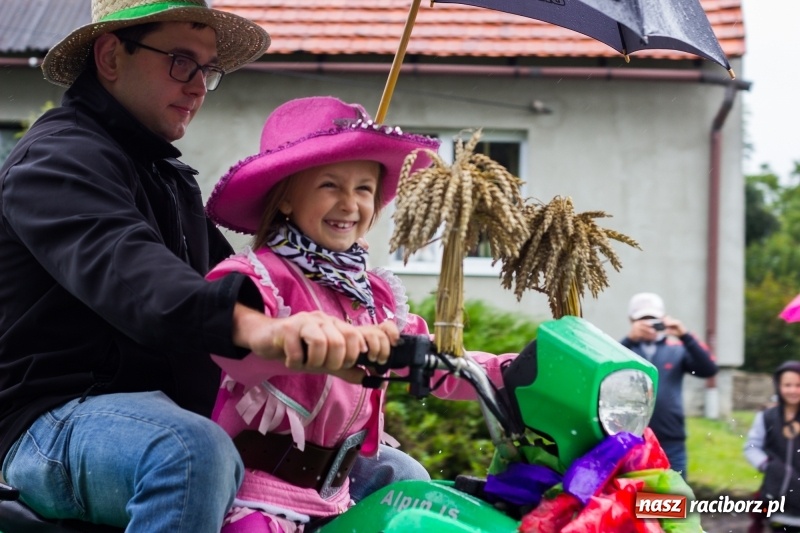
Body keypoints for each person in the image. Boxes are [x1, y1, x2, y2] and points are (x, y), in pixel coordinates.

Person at [0, 2, 389, 532]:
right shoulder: (55, 161)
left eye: (208, 70)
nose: (199, 86)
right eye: (182, 61)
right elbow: (138, 278)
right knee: (190, 453)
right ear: (111, 56)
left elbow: (247, 285)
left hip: (171, 412)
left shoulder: (166, 173)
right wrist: (265, 328)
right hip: (55, 420)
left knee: (386, 473)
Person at [203, 95, 517, 532]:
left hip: (336, 498)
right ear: (287, 199)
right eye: (330, 185)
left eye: (364, 189)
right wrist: (288, 338)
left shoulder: (375, 295)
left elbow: (433, 360)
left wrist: (512, 374)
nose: (350, 203)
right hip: (256, 498)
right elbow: (226, 332)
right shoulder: (255, 279)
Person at [620, 292, 718, 479]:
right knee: (634, 501)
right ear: (631, 321)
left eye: (653, 319)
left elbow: (708, 369)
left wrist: (685, 335)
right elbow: (605, 369)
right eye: (643, 320)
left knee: (671, 502)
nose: (649, 325)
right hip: (631, 441)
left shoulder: (677, 350)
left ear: (663, 320)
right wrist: (629, 339)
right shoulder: (623, 350)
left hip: (671, 441)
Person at [744, 360, 800, 533]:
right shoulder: (767, 417)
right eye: (787, 385)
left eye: (798, 385)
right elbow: (752, 447)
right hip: (777, 496)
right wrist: (768, 465)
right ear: (778, 386)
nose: (792, 390)